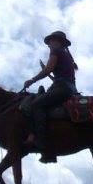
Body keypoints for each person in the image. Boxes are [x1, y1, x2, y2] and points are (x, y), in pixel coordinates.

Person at [23, 30, 79, 163]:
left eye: (50, 41)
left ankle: (41, 143)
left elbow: (47, 69)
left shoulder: (56, 52)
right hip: (67, 88)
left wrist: (32, 80)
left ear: (58, 42)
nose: (48, 44)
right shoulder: (67, 56)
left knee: (36, 104)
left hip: (62, 88)